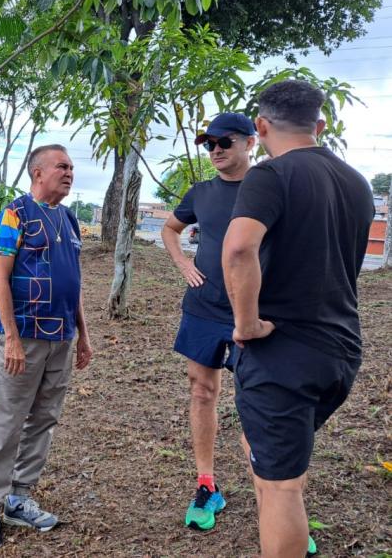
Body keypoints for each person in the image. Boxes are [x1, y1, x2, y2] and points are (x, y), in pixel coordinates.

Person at [222, 80, 374, 558]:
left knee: (280, 487)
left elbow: (239, 248)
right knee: (274, 457)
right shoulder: (357, 182)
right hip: (341, 351)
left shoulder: (270, 175)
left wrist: (246, 324)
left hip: (282, 355)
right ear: (320, 125)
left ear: (261, 126)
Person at [0, 144, 93, 553]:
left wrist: (83, 334)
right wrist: (10, 337)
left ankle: (19, 497)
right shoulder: (14, 214)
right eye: (62, 166)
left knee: (44, 419)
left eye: (72, 167)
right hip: (23, 337)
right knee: (7, 420)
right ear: (38, 172)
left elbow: (73, 281)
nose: (70, 172)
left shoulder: (70, 219)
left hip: (61, 338)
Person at [160, 112, 256, 532]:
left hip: (255, 313)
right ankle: (206, 485)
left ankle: (278, 501)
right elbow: (170, 229)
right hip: (203, 308)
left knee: (259, 403)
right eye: (209, 144)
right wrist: (183, 263)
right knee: (202, 391)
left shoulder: (269, 188)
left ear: (250, 142)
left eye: (225, 142)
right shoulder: (200, 192)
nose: (215, 150)